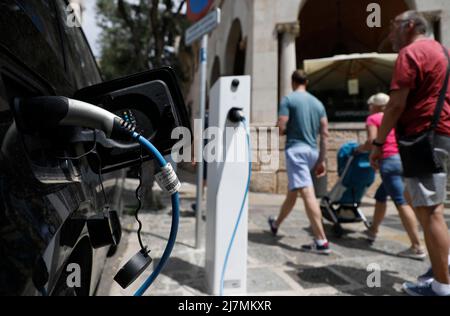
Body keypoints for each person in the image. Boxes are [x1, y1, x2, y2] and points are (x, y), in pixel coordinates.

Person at [370, 10, 450, 296]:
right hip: (441, 134)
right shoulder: (444, 52)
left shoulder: (410, 53)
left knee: (430, 211)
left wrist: (378, 145)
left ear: (411, 25)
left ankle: (442, 286)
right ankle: (442, 265)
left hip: (421, 136)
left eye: (393, 26)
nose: (390, 33)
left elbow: (394, 105)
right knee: (424, 203)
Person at [357, 93, 425, 260]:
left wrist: (360, 149)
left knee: (401, 202)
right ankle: (373, 230)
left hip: (388, 161)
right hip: (402, 159)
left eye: (371, 105)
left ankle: (417, 246)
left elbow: (372, 140)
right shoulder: (396, 116)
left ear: (377, 106)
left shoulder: (373, 118)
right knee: (381, 195)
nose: (369, 108)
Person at [268, 70, 330, 255]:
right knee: (292, 192)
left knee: (307, 192)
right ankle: (276, 224)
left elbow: (281, 124)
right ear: (307, 82)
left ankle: (321, 241)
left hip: (296, 151)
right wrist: (322, 160)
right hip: (312, 152)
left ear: (292, 81)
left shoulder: (288, 100)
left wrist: (280, 131)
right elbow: (325, 134)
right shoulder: (318, 103)